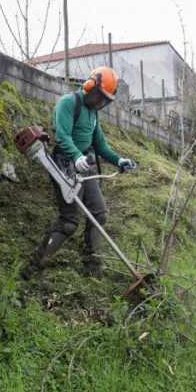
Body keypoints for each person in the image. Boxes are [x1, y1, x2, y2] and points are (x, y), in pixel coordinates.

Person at [20, 66, 137, 279]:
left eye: (105, 101)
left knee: (99, 214)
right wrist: (76, 157)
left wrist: (119, 160)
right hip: (64, 164)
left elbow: (100, 144)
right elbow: (63, 136)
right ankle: (34, 267)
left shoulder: (93, 113)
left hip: (85, 163)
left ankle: (91, 265)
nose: (100, 104)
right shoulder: (68, 103)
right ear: (90, 86)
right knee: (69, 221)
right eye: (99, 98)